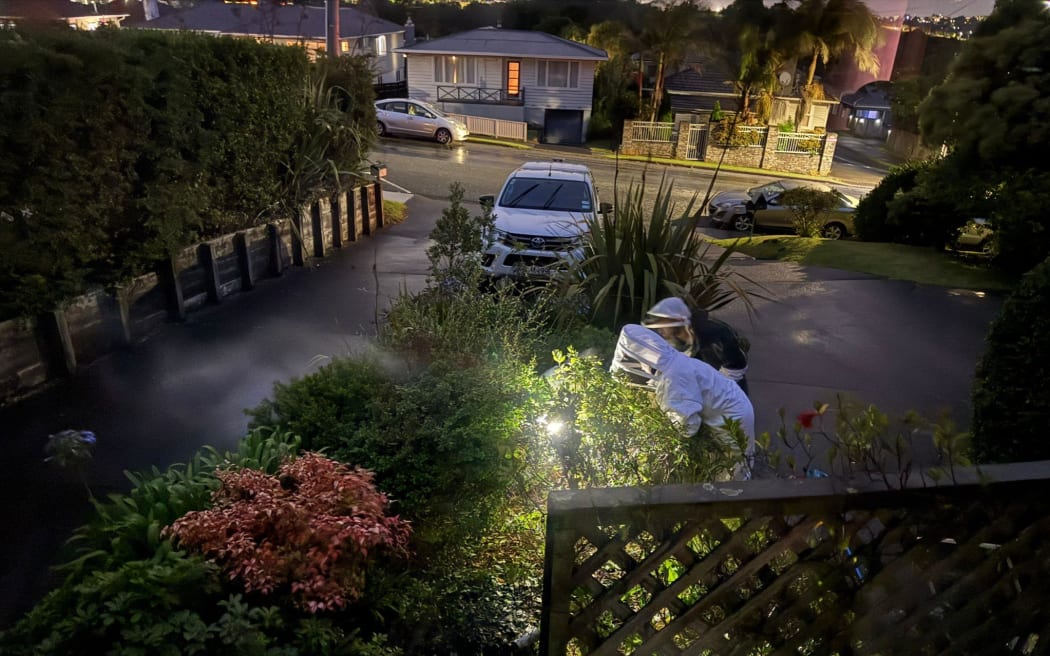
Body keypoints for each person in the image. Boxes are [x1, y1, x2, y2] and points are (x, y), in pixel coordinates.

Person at [610, 324, 755, 479]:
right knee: (728, 459)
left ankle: (734, 497)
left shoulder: (672, 379)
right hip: (732, 399)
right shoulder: (673, 361)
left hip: (731, 414)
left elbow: (687, 428)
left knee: (732, 467)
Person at [642, 296, 750, 396]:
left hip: (725, 393)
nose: (661, 330)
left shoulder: (718, 336)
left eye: (662, 324)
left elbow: (734, 371)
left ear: (678, 321)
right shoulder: (668, 338)